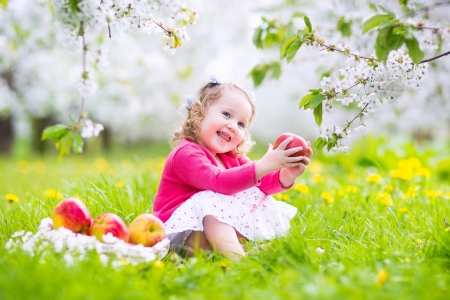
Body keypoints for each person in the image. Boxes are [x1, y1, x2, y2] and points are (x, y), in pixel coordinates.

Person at [152, 76, 312, 259]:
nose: (233, 126)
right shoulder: (186, 154)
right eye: (227, 115)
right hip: (182, 237)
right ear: (198, 112)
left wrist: (287, 173)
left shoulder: (230, 156)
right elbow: (219, 182)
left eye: (241, 124)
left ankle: (261, 251)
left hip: (209, 235)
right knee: (209, 198)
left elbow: (261, 184)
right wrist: (264, 164)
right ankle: (238, 260)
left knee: (252, 195)